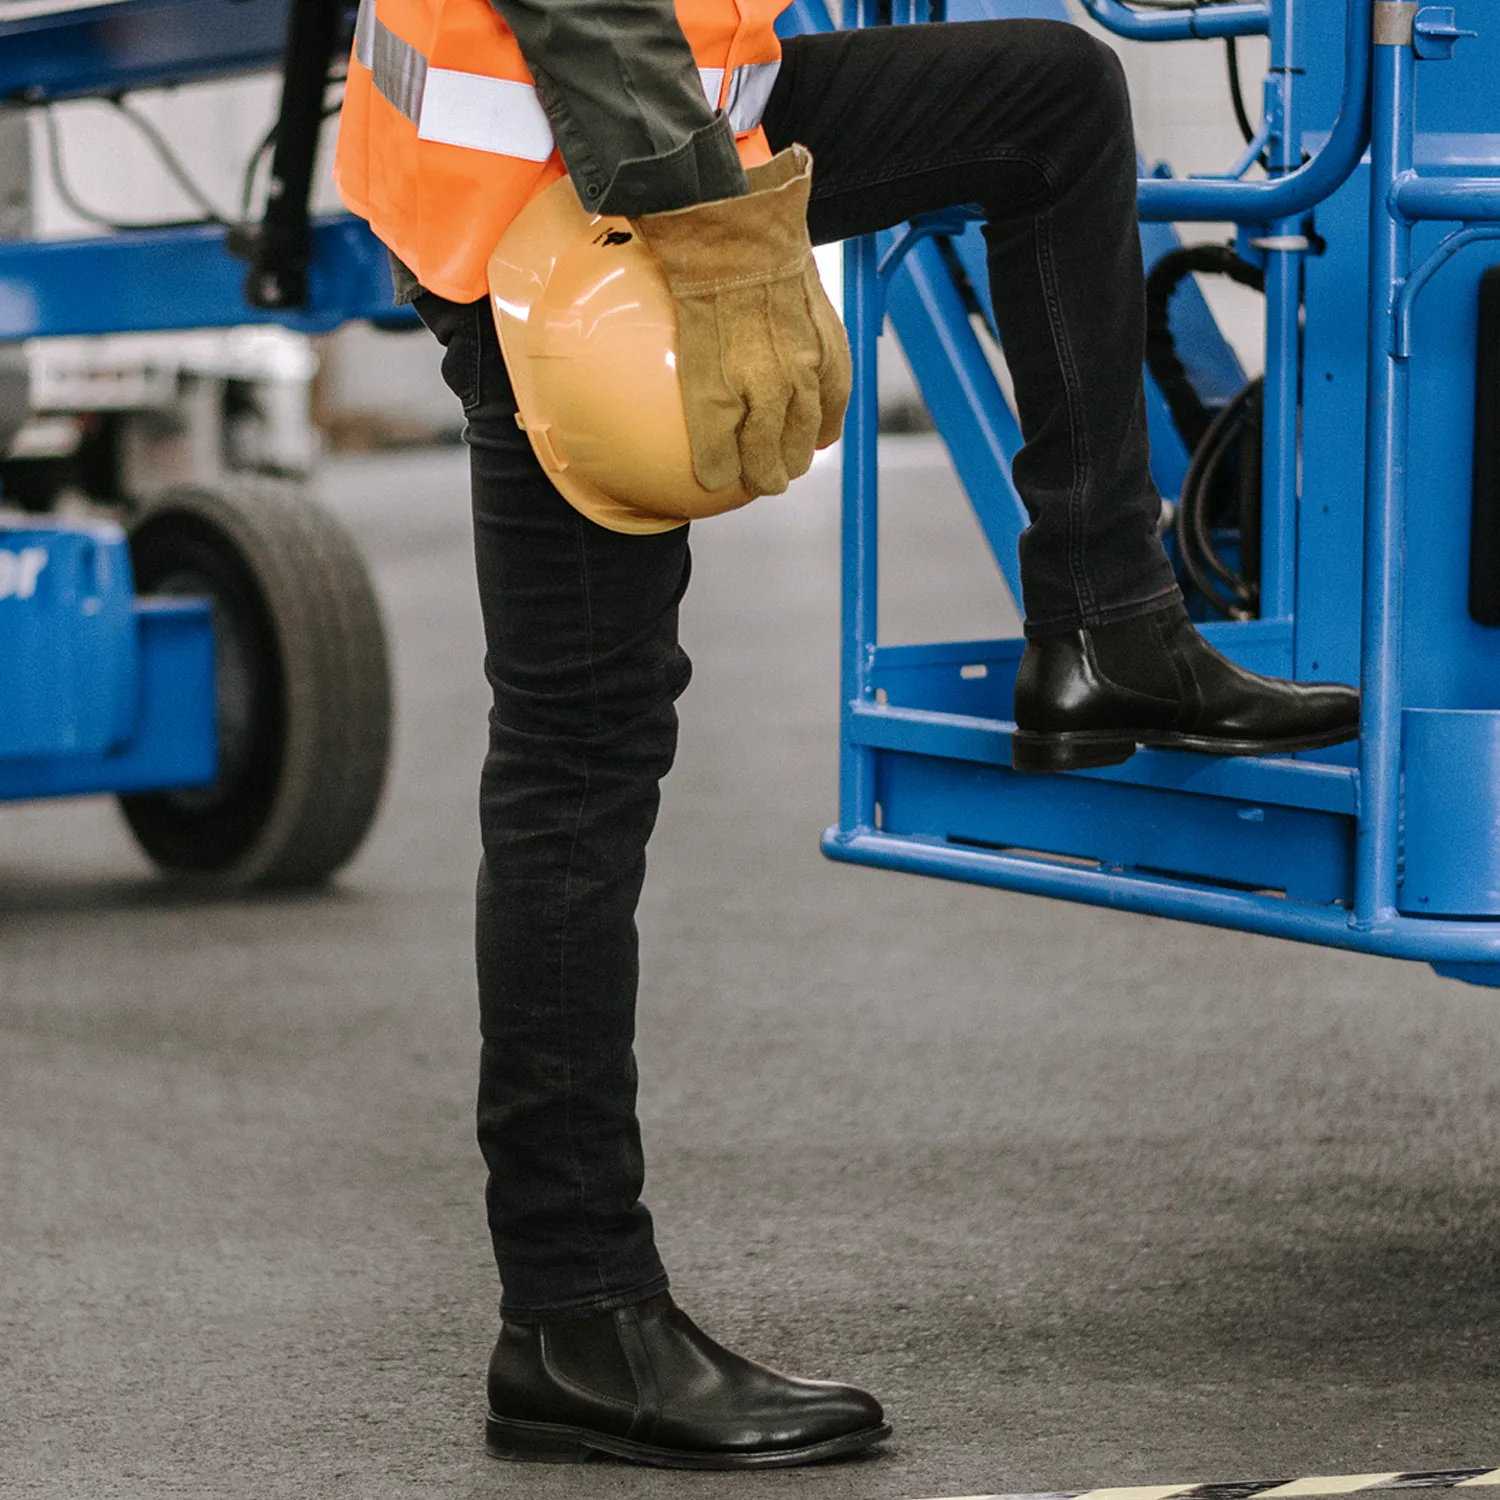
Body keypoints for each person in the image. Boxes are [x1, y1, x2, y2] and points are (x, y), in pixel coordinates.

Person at [334, 0, 1360, 1471]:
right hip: (551, 197)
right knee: (579, 753)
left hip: (679, 118)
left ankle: (1107, 629)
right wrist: (708, 233)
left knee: (1049, 97)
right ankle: (576, 1317)